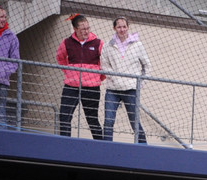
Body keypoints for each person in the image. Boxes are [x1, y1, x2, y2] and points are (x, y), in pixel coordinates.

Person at [100, 16, 150, 144]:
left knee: (135, 122)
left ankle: (144, 149)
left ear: (128, 27)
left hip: (131, 89)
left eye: (124, 27)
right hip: (113, 89)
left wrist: (139, 84)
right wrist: (115, 78)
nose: (122, 29)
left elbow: (147, 66)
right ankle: (106, 149)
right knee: (108, 121)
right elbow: (104, 65)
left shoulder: (138, 45)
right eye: (119, 27)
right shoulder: (107, 45)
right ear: (114, 28)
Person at [56, 13, 104, 139]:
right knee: (64, 116)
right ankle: (65, 145)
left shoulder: (98, 43)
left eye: (88, 28)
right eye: (83, 29)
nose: (86, 31)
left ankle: (101, 147)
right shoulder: (66, 43)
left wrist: (98, 78)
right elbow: (60, 58)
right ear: (75, 29)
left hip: (92, 87)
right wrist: (69, 73)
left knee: (92, 119)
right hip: (71, 86)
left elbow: (105, 63)